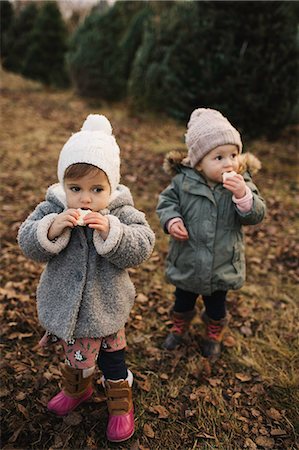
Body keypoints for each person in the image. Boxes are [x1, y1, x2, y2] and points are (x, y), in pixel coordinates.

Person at [18, 114, 155, 443]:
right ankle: (77, 388)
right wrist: (51, 227)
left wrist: (113, 232)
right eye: (75, 188)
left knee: (112, 360)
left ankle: (120, 402)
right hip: (68, 308)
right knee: (75, 356)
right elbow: (26, 240)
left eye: (97, 189)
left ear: (112, 186)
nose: (86, 198)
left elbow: (144, 243)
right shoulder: (53, 208)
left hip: (107, 309)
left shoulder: (120, 212)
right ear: (63, 186)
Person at [156, 108, 266, 357]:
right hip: (188, 257)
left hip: (222, 262)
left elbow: (257, 214)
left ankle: (213, 332)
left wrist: (243, 196)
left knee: (217, 304)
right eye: (219, 157)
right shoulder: (183, 183)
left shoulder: (242, 184)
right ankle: (179, 326)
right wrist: (172, 219)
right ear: (199, 164)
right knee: (182, 299)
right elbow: (166, 203)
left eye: (233, 154)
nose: (229, 163)